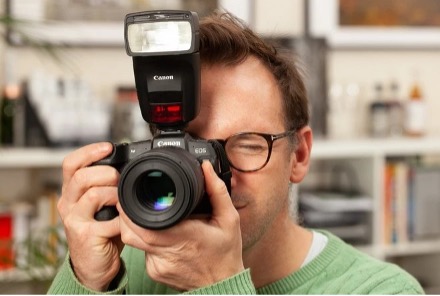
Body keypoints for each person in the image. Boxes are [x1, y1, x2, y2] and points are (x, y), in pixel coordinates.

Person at [48, 11, 424, 295]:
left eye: (246, 144)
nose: (217, 178)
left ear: (299, 155)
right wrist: (87, 279)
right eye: (190, 148)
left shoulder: (379, 289)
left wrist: (218, 285)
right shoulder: (130, 260)